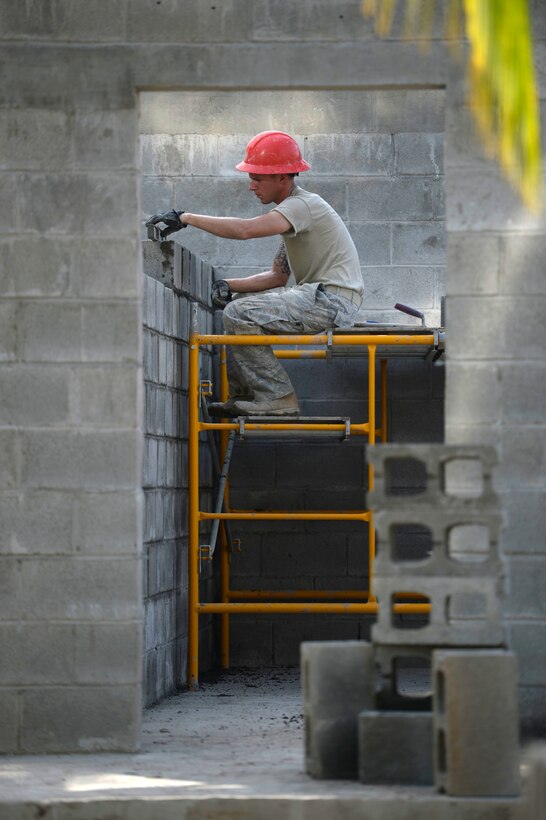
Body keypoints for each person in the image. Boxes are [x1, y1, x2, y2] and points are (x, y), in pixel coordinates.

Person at [146, 130, 364, 417]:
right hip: (321, 299)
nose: (251, 186)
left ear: (283, 177)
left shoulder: (302, 205)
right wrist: (227, 285)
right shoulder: (293, 215)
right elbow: (277, 276)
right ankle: (249, 396)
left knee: (239, 314)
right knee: (237, 310)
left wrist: (185, 218)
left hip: (331, 302)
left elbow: (244, 230)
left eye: (258, 178)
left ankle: (277, 397)